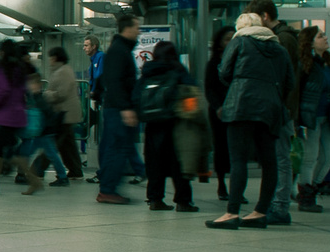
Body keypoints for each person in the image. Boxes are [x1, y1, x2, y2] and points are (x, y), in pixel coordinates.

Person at [207, 15, 292, 228]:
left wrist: (239, 82)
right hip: (271, 108)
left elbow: (224, 71)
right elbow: (289, 81)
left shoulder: (240, 41)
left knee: (238, 159)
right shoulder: (279, 49)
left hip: (241, 104)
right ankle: (260, 212)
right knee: (269, 161)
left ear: (241, 27)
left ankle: (232, 213)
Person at [247, 0, 301, 224]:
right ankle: (274, 203)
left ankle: (279, 206)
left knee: (280, 158)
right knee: (276, 157)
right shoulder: (281, 38)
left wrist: (283, 107)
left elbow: (284, 77)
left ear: (265, 17)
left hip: (280, 108)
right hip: (277, 106)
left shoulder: (282, 40)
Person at [136, 39, 197, 212]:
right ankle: (183, 201)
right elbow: (191, 91)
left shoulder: (148, 71)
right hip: (175, 123)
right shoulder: (178, 69)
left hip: (152, 125)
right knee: (178, 163)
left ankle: (155, 199)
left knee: (154, 163)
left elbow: (137, 95)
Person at [0, 40, 42, 195]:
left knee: (1, 148)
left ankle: (30, 179)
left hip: (6, 114)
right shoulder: (19, 67)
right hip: (17, 113)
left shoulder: (3, 68)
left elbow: (3, 90)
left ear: (3, 52)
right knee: (3, 148)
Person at [294, 26, 330, 214]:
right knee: (310, 157)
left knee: (329, 155)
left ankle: (312, 187)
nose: (325, 38)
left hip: (328, 115)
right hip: (311, 116)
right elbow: (297, 91)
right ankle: (306, 195)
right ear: (310, 42)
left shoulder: (328, 62)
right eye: (320, 36)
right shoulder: (305, 65)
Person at [95, 15, 141, 205]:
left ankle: (109, 187)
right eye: (137, 27)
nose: (139, 31)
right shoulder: (119, 51)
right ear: (127, 28)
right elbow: (114, 81)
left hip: (116, 107)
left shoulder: (120, 49)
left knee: (117, 147)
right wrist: (126, 108)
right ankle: (107, 189)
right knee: (117, 148)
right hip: (118, 109)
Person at [42, 43, 85, 184]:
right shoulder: (62, 70)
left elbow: (61, 93)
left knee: (52, 144)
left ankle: (36, 169)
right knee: (68, 145)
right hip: (66, 113)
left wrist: (47, 94)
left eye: (50, 57)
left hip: (64, 113)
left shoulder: (63, 72)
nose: (49, 60)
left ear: (55, 58)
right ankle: (75, 170)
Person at [204, 25, 234, 200]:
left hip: (236, 108)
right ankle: (222, 184)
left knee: (237, 149)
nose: (230, 42)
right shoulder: (214, 63)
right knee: (221, 147)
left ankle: (236, 187)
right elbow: (209, 89)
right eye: (227, 39)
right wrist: (218, 106)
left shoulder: (239, 60)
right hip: (219, 111)